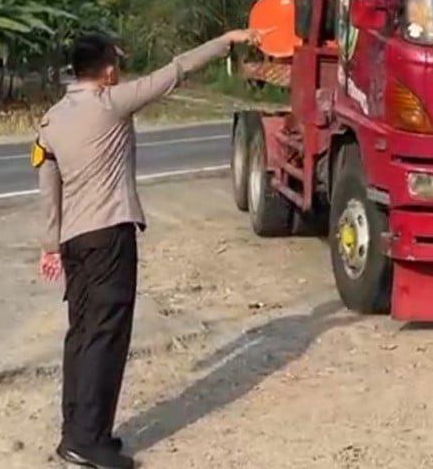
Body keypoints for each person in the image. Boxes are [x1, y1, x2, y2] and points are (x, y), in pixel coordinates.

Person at [35, 27, 264, 469]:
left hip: (74, 242)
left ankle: (77, 431)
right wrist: (228, 40)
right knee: (106, 337)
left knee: (81, 335)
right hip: (109, 239)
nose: (118, 70)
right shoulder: (111, 103)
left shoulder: (52, 118)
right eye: (114, 64)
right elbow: (177, 70)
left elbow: (48, 187)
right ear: (105, 71)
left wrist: (49, 245)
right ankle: (88, 443)